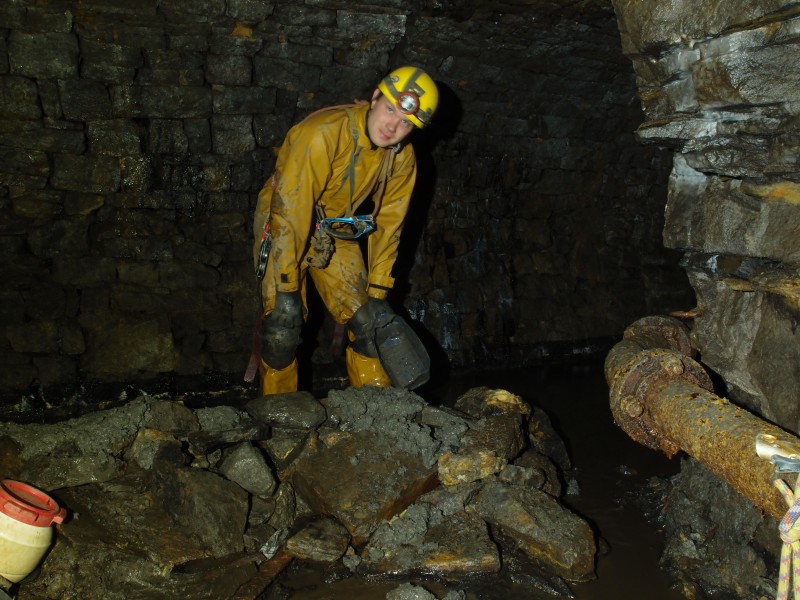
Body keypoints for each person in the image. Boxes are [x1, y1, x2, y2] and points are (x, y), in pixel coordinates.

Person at [249, 66, 439, 396]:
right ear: (375, 97)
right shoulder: (322, 133)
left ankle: (372, 411)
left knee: (370, 322)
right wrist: (287, 287)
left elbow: (389, 228)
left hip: (331, 223)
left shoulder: (402, 160)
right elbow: (291, 210)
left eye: (406, 122)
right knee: (283, 322)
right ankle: (279, 414)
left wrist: (379, 293)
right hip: (283, 217)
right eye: (390, 109)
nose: (393, 126)